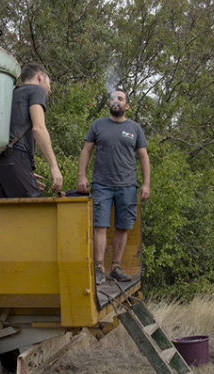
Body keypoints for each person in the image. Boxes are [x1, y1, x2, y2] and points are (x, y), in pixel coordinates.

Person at [77, 88, 150, 284]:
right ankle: (99, 268)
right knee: (100, 225)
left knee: (122, 226)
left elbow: (143, 157)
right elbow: (86, 152)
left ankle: (116, 267)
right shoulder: (98, 125)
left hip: (127, 186)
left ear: (126, 105)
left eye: (119, 98)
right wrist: (81, 176)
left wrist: (146, 184)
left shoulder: (135, 128)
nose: (115, 101)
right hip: (102, 184)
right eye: (112, 98)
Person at [0, 63, 63, 198]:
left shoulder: (11, 93)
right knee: (36, 213)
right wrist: (54, 166)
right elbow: (38, 128)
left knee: (8, 215)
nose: (50, 90)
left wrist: (23, 173)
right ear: (40, 77)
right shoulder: (36, 90)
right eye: (49, 82)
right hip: (16, 158)